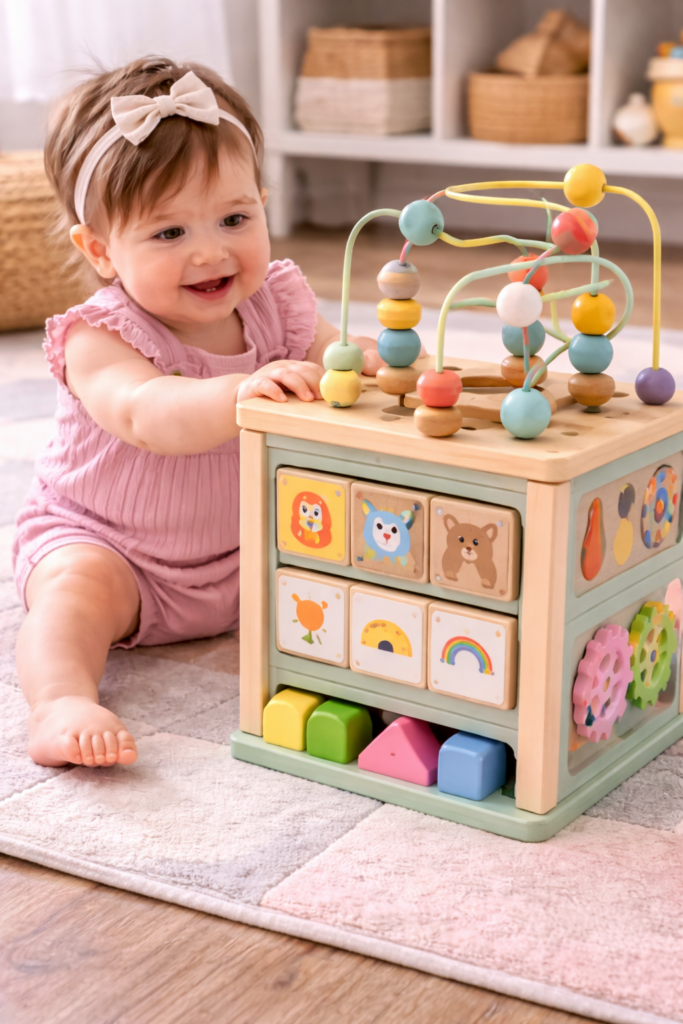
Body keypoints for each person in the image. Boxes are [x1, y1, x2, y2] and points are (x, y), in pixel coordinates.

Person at [12, 57, 381, 770]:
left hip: (250, 552)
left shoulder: (276, 302)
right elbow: (148, 411)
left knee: (355, 557)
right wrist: (238, 393)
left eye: (235, 218)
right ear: (100, 249)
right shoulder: (100, 335)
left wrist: (367, 364)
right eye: (168, 233)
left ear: (264, 204)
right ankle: (60, 700)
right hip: (117, 549)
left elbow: (336, 369)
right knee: (71, 593)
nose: (211, 250)